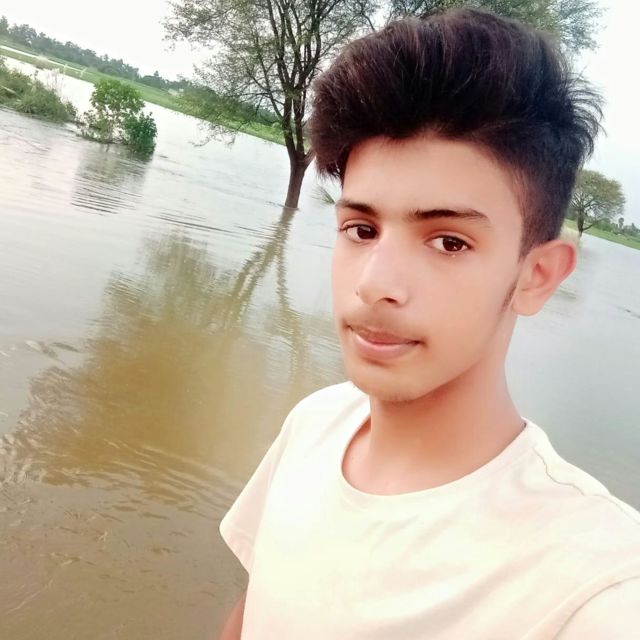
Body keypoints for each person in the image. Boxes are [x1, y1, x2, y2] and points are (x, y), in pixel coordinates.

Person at [218, 8, 640, 639]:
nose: (374, 284)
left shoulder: (592, 585)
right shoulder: (314, 425)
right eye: (361, 229)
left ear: (537, 276)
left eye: (448, 242)